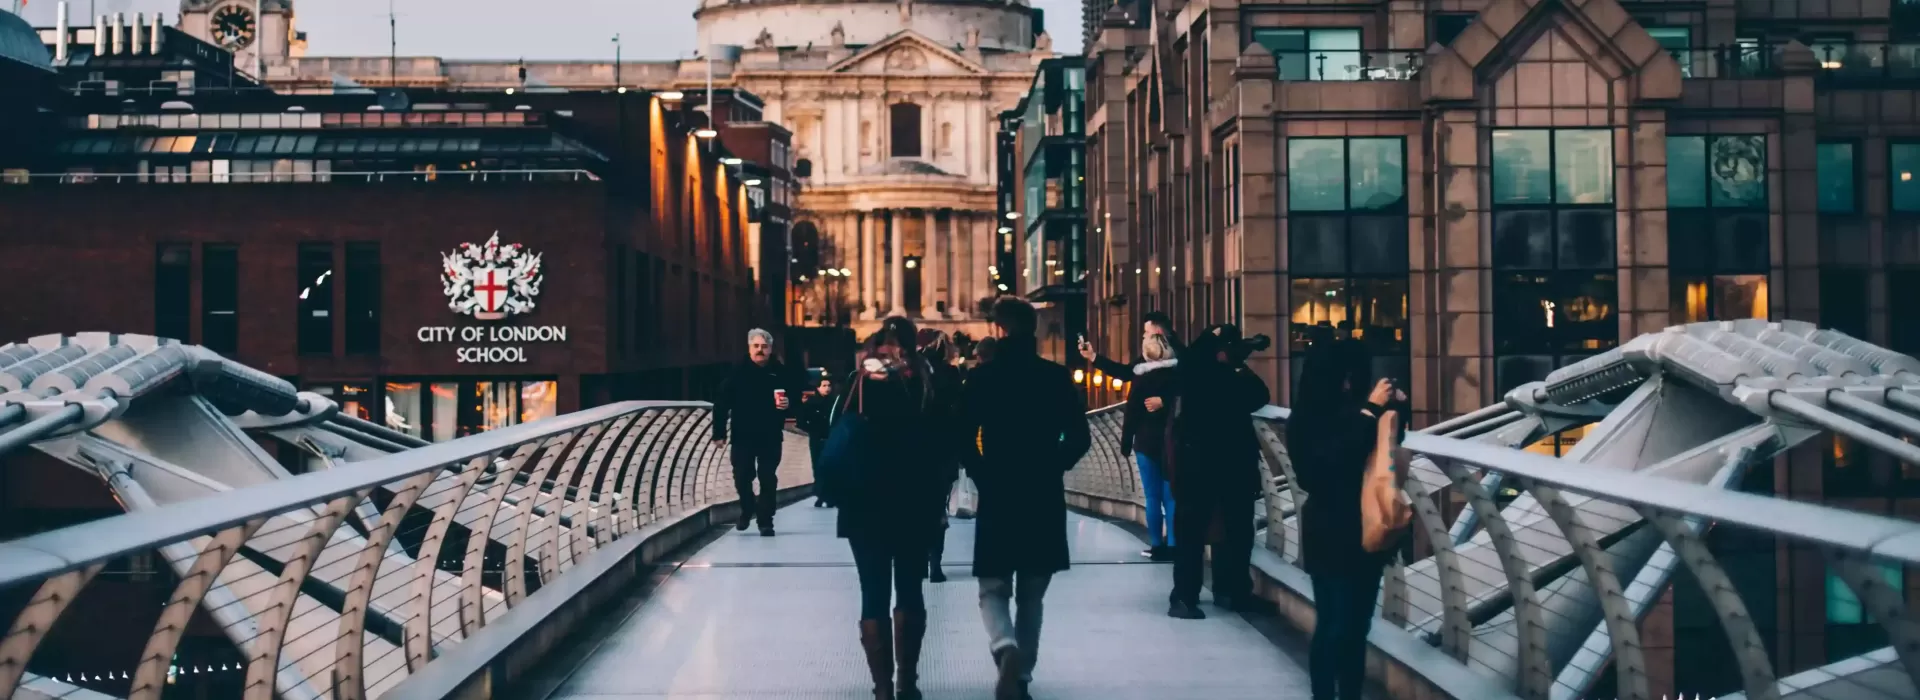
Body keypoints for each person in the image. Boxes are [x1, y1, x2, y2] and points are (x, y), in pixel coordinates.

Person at [959, 296, 1092, 700]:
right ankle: (1023, 676)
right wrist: (1053, 465)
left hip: (999, 491)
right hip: (1042, 492)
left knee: (993, 587)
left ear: (999, 330)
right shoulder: (1055, 377)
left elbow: (963, 437)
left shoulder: (982, 378)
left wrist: (983, 474)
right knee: (1033, 594)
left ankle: (1005, 647)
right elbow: (1080, 437)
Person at [837, 317, 946, 700]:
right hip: (914, 501)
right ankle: (908, 684)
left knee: (872, 590)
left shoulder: (859, 383)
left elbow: (838, 433)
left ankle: (882, 689)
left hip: (863, 503)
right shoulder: (924, 383)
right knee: (910, 589)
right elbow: (942, 444)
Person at [1289, 339, 1400, 700]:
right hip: (1330, 529)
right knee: (1334, 625)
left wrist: (1395, 409)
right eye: (1344, 378)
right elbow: (1319, 469)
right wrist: (1368, 414)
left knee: (1356, 628)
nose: (1349, 385)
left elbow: (1385, 451)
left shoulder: (1353, 411)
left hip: (1366, 530)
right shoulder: (1306, 418)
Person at [1166, 324, 1270, 620]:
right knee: (1235, 531)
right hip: (1230, 465)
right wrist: (1238, 365)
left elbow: (1191, 362)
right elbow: (1260, 395)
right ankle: (1231, 591)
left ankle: (1185, 597)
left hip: (1195, 466)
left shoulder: (1190, 373)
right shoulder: (1224, 377)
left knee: (1192, 532)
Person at [712, 328, 805, 536]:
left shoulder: (781, 372)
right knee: (742, 476)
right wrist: (719, 433)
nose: (760, 350)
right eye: (756, 346)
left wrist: (789, 405)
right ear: (749, 348)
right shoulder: (737, 372)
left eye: (764, 346)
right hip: (742, 435)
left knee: (767, 477)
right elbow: (721, 403)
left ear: (771, 349)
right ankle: (747, 509)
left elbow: (796, 399)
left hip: (770, 435)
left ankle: (766, 521)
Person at [1120, 333, 1179, 561]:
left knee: (1152, 497)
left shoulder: (1141, 379)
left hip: (1145, 442)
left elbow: (1132, 412)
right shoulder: (1176, 377)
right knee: (1170, 496)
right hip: (1170, 441)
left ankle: (1156, 546)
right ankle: (1174, 545)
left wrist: (1126, 443)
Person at [917, 328, 965, 583]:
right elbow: (960, 413)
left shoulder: (911, 372)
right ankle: (935, 561)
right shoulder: (951, 373)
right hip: (944, 451)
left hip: (914, 452)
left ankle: (919, 558)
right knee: (938, 506)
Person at [1077, 310, 1181, 382]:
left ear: (1159, 332)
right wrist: (1092, 356)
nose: (1144, 336)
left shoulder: (1180, 357)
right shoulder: (1150, 357)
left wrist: (1163, 399)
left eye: (1147, 332)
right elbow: (1126, 372)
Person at [797, 374, 838, 508]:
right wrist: (812, 430)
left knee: (830, 468)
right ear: (818, 388)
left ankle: (828, 496)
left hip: (831, 438)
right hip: (816, 439)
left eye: (829, 386)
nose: (827, 388)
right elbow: (801, 421)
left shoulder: (835, 403)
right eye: (824, 386)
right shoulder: (811, 403)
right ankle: (821, 495)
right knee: (818, 467)